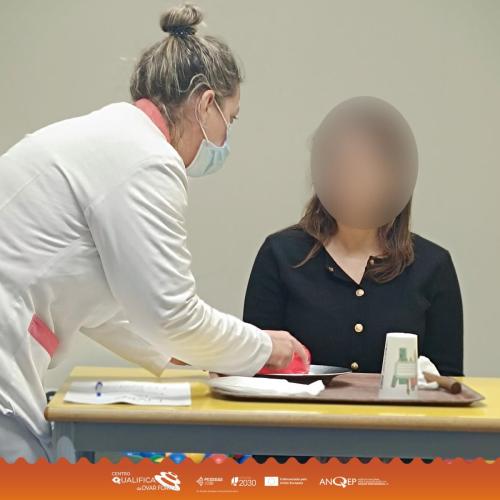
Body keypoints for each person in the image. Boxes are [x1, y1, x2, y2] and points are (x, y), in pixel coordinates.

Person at [0, 4, 307, 463]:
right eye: (231, 118)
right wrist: (266, 347)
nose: (226, 137)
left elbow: (114, 311)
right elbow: (172, 314)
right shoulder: (145, 159)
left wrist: (190, 353)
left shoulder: (113, 139)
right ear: (206, 104)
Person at [244, 97, 463, 463]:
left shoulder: (433, 266)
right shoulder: (280, 254)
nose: (357, 179)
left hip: (401, 460)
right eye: (344, 166)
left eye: (371, 166)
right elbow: (254, 369)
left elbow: (449, 386)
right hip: (295, 454)